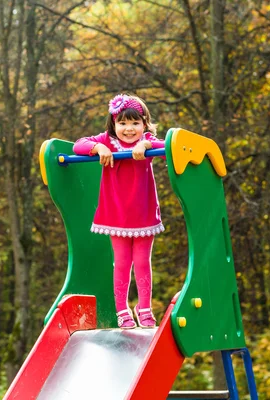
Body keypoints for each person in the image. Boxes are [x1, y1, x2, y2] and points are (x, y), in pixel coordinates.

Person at [73, 94, 165, 329]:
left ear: (144, 124)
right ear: (114, 124)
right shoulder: (108, 141)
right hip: (117, 214)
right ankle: (122, 309)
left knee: (143, 261)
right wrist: (98, 147)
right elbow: (78, 145)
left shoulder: (148, 141)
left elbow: (168, 146)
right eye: (122, 123)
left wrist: (146, 145)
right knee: (122, 262)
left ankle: (144, 307)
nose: (129, 129)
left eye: (135, 123)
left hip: (143, 213)